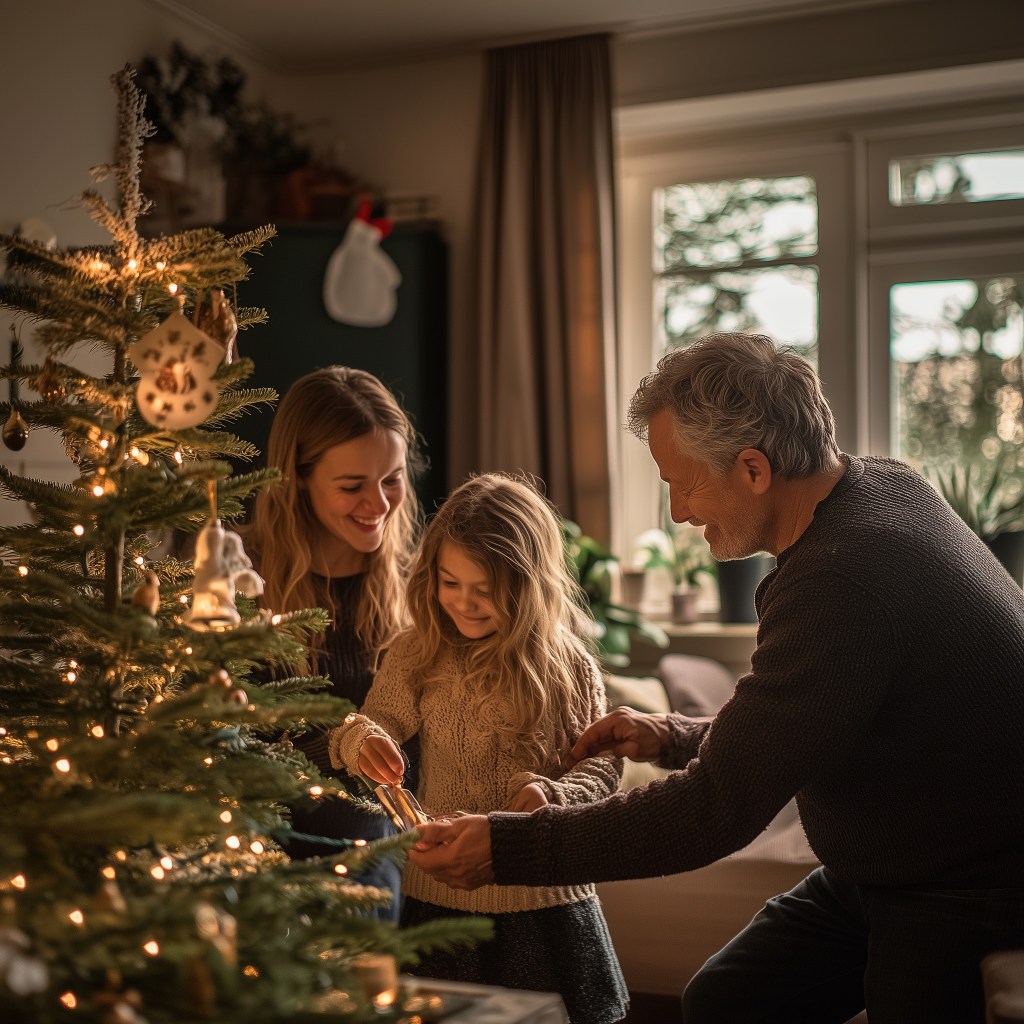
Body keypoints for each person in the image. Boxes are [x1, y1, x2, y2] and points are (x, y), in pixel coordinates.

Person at [409, 333, 1024, 1024]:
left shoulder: (843, 578)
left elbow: (714, 811)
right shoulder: (878, 486)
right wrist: (671, 735)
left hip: (969, 883)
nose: (677, 511)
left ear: (755, 469)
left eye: (684, 482)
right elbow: (814, 719)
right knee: (729, 999)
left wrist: (508, 846)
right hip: (890, 863)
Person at [327, 472, 628, 1024]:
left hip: (544, 899)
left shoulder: (568, 665)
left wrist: (552, 794)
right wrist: (364, 741)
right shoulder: (419, 650)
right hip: (437, 899)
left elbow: (603, 766)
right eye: (450, 583)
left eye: (485, 591)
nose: (463, 604)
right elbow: (369, 724)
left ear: (528, 584)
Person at [242, 365, 424, 920]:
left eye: (391, 479)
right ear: (297, 477)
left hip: (369, 830)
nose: (379, 504)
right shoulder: (237, 581)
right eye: (351, 486)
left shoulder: (417, 588)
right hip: (254, 824)